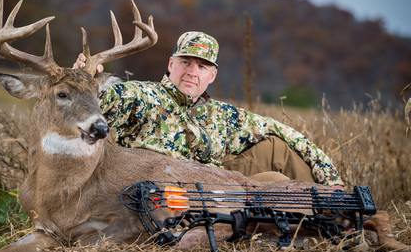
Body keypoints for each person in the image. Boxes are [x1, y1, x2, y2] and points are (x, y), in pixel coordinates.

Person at [74, 31, 343, 188]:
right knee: (273, 181)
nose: (192, 72)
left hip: (216, 183)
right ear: (171, 64)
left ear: (211, 76)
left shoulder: (222, 116)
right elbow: (101, 102)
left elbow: (280, 130)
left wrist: (333, 181)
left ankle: (339, 207)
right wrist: (82, 81)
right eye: (186, 62)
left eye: (201, 67)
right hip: (166, 192)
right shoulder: (142, 96)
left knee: (277, 146)